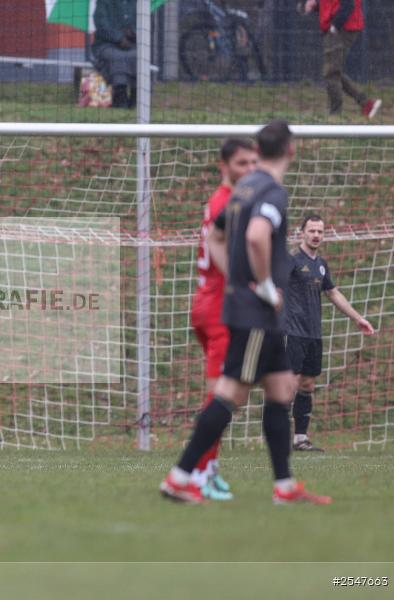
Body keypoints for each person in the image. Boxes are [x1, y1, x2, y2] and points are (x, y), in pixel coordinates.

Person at [160, 120, 331, 504]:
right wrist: (265, 287)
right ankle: (179, 476)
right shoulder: (269, 190)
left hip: (253, 310)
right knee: (230, 393)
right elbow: (255, 235)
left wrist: (236, 280)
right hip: (255, 314)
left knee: (281, 388)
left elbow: (215, 237)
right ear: (291, 150)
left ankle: (284, 487)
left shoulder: (244, 187)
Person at [189, 138, 258, 500]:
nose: (249, 170)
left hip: (206, 303)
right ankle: (198, 472)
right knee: (222, 396)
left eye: (253, 163)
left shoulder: (222, 200)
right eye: (241, 163)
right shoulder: (230, 203)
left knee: (228, 394)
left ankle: (208, 469)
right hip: (219, 309)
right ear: (224, 166)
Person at [284, 213, 375, 452]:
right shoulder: (291, 260)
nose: (316, 235)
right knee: (288, 384)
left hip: (314, 334)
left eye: (320, 231)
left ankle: (300, 438)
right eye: (312, 231)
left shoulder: (321, 264)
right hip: (292, 332)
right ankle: (278, 437)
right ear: (301, 232)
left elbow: (333, 293)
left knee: (307, 384)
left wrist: (358, 319)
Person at [301, 0, 381, 118]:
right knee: (333, 71)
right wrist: (317, 5)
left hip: (342, 27)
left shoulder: (338, 26)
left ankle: (335, 114)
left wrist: (335, 26)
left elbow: (348, 4)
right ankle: (366, 104)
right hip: (338, 26)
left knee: (331, 72)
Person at [91, 0, 136, 109]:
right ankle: (120, 96)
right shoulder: (103, 2)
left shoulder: (138, 3)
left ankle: (137, 97)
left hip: (132, 44)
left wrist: (133, 32)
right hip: (106, 44)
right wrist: (119, 38)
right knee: (117, 57)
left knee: (139, 56)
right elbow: (101, 25)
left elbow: (145, 23)